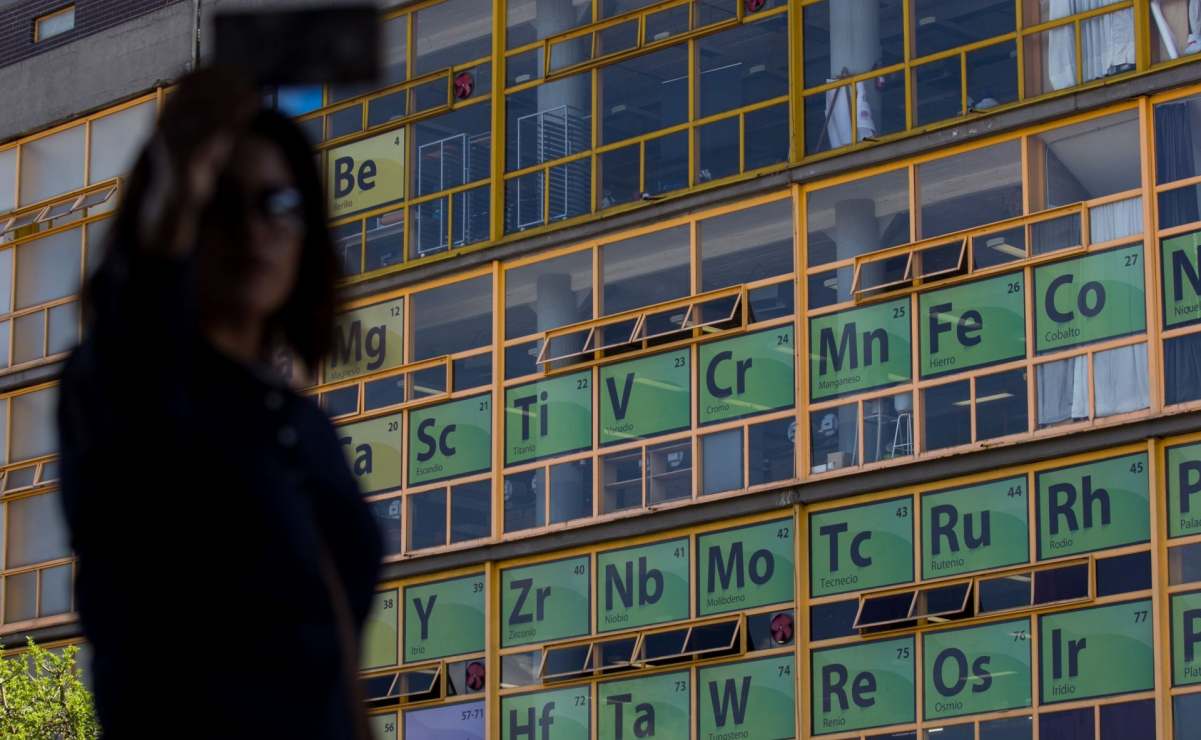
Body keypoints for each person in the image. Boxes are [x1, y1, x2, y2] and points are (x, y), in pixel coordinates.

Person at [56, 68, 383, 738]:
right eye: (221, 204)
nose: (252, 228)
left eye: (277, 204)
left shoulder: (302, 425)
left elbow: (335, 666)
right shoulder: (126, 382)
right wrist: (177, 176)